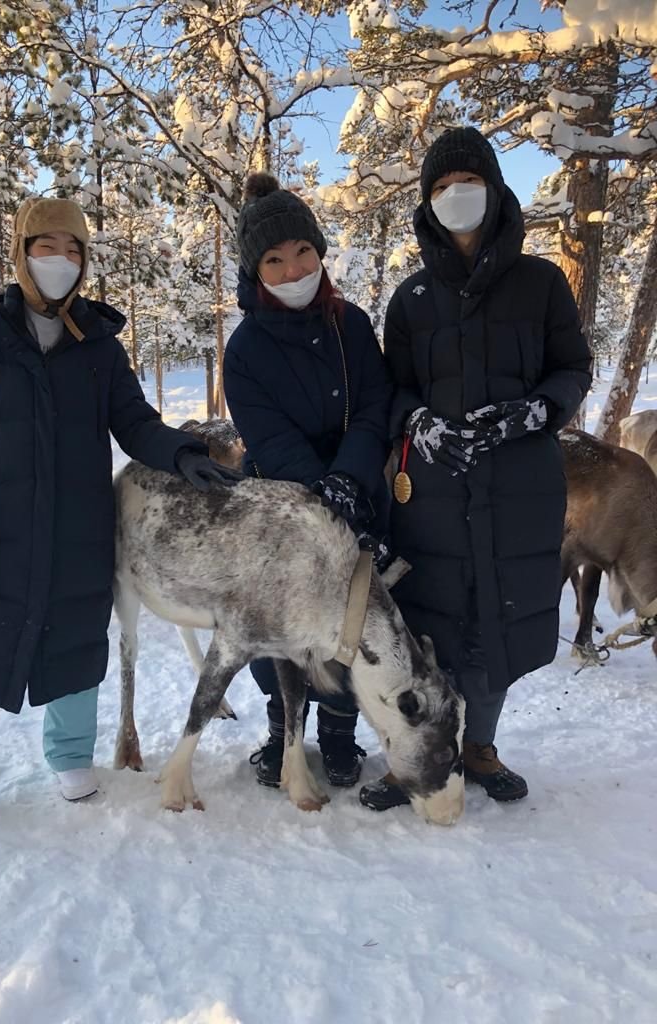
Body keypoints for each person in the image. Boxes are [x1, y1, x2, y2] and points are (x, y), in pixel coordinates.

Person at [0, 196, 239, 839]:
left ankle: (70, 759)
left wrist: (183, 453)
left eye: (74, 249)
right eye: (47, 246)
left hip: (80, 526)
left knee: (77, 647)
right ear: (24, 253)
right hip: (0, 531)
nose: (61, 260)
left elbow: (134, 420)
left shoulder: (99, 345)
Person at [362, 127, 592, 811]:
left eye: (466, 182)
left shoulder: (542, 283)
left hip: (518, 486)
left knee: (499, 627)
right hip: (431, 491)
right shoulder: (410, 300)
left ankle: (480, 748)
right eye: (439, 187)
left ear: (493, 190)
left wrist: (534, 413)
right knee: (429, 629)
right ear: (427, 204)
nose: (454, 196)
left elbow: (573, 368)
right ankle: (417, 759)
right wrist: (419, 422)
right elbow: (393, 389)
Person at [223, 172, 393, 792]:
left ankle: (341, 735)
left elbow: (376, 404)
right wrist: (322, 493)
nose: (293, 270)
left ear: (319, 252)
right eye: (274, 259)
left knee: (350, 620)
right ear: (255, 270)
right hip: (280, 507)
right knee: (279, 628)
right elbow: (268, 437)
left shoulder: (352, 325)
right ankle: (282, 729)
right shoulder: (242, 350)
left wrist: (349, 479)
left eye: (302, 253)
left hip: (358, 492)